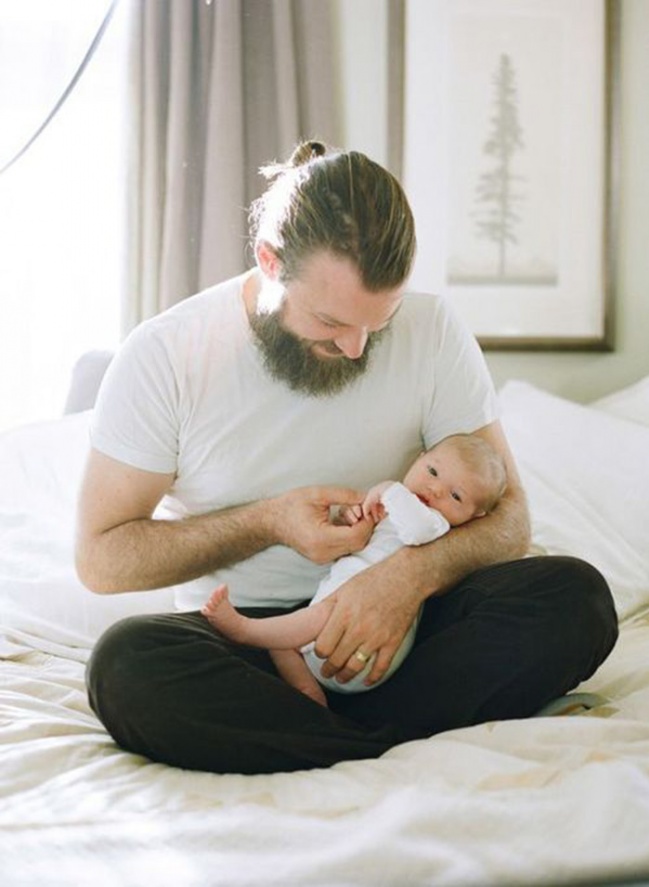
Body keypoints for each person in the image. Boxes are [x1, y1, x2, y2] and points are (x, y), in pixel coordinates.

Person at [78, 140, 618, 775]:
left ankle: (313, 740)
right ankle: (385, 742)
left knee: (575, 597)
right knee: (125, 664)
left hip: (407, 627)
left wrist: (403, 582)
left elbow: (511, 520)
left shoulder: (435, 331)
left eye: (377, 324)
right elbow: (101, 559)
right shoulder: (166, 355)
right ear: (270, 261)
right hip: (252, 646)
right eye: (333, 322)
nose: (359, 348)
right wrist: (266, 522)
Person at [201, 434, 507, 707]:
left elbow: (415, 529)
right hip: (323, 641)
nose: (436, 489)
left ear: (475, 516)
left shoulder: (434, 523)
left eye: (456, 496)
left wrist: (389, 490)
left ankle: (245, 630)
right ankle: (309, 693)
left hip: (368, 645)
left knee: (316, 617)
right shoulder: (396, 509)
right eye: (432, 471)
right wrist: (355, 523)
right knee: (284, 646)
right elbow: (366, 543)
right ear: (419, 459)